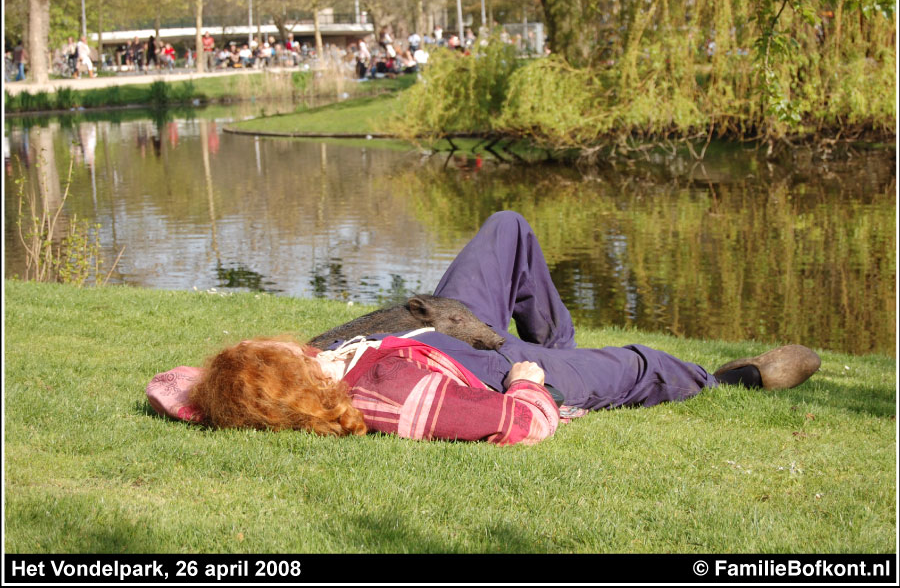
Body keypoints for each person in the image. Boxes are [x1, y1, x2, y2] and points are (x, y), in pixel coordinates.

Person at [148, 212, 821, 445]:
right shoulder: (387, 398)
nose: (290, 343)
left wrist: (213, 387)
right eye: (280, 353)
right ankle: (731, 375)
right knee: (643, 363)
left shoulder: (318, 364)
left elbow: (172, 384)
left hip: (448, 324)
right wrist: (531, 382)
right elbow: (514, 425)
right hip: (494, 369)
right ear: (290, 382)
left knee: (508, 228)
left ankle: (561, 349)